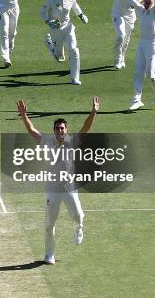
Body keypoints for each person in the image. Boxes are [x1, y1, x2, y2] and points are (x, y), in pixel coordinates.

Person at [16, 95, 100, 264]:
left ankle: (78, 230)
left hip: (70, 187)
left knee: (78, 216)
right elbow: (32, 130)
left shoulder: (73, 140)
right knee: (49, 225)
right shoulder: (46, 141)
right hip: (52, 188)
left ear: (66, 130)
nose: (60, 131)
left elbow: (85, 127)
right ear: (53, 130)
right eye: (57, 128)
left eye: (62, 128)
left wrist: (93, 112)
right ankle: (49, 254)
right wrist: (24, 115)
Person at [118, 0, 155, 110]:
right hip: (142, 45)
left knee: (150, 74)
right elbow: (132, 0)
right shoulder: (141, 10)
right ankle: (137, 99)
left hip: (153, 45)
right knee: (138, 72)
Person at [40, 0, 89, 85]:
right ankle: (49, 44)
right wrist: (48, 21)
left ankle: (75, 78)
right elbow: (42, 11)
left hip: (68, 28)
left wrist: (81, 16)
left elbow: (76, 8)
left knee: (74, 50)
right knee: (59, 57)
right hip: (55, 30)